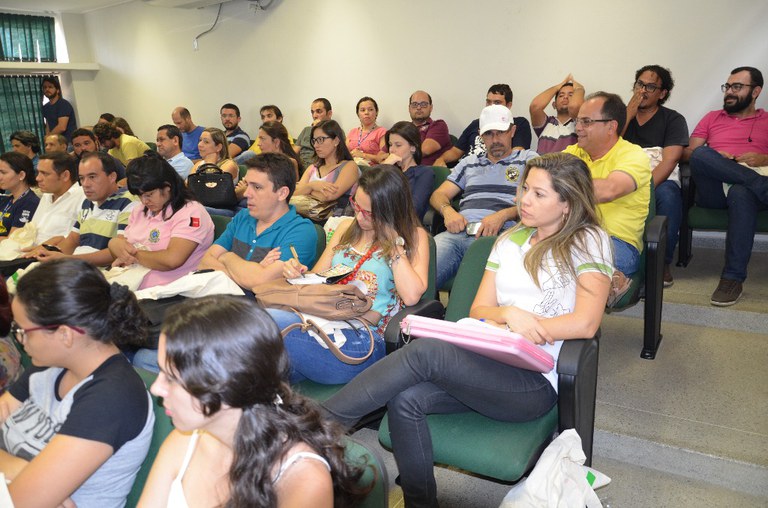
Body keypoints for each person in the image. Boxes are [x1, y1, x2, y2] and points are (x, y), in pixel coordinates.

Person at [321, 152, 613, 508]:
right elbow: (480, 309)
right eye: (525, 189)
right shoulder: (508, 241)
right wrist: (508, 314)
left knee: (426, 352)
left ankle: (319, 425)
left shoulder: (588, 240)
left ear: (567, 203)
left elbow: (586, 322)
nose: (524, 200)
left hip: (535, 381)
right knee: (405, 399)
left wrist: (531, 326)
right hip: (488, 362)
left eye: (539, 194)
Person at [138, 296, 366, 507]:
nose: (156, 388)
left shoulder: (302, 478)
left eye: (171, 378)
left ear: (226, 385)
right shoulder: (186, 439)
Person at [0, 258, 153, 507]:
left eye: (23, 331)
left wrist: (22, 478)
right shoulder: (51, 364)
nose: (19, 340)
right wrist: (18, 470)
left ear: (65, 334)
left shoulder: (113, 397)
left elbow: (22, 501)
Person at [275, 165, 430, 384]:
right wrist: (298, 273)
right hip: (324, 323)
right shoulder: (345, 228)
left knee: (268, 324)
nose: (359, 216)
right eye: (356, 205)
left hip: (366, 339)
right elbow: (318, 279)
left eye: (368, 213)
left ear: (389, 211)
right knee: (261, 365)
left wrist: (393, 241)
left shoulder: (414, 236)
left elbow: (412, 296)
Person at [683, 66, 768, 306]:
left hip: (749, 194)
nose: (729, 92)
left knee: (741, 192)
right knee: (701, 154)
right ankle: (761, 185)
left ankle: (732, 278)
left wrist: (764, 158)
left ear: (756, 92)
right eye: (728, 86)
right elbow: (688, 153)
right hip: (716, 189)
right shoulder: (712, 118)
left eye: (737, 87)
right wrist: (717, 157)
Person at [430, 105, 538, 288]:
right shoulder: (468, 162)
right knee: (422, 273)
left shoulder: (528, 159)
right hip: (459, 233)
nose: (495, 140)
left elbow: (539, 201)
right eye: (489, 134)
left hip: (502, 235)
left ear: (512, 131)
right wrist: (448, 211)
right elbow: (438, 194)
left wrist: (503, 215)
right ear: (481, 135)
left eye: (501, 132)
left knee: (479, 287)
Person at [564, 92, 651, 304]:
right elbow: (539, 177)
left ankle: (603, 281)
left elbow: (609, 190)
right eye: (577, 121)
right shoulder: (573, 153)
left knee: (558, 261)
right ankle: (607, 280)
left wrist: (558, 188)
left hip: (616, 244)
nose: (578, 128)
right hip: (573, 237)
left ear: (611, 127)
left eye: (586, 122)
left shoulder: (633, 154)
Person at [198, 153, 317, 289]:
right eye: (247, 185)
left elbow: (259, 282)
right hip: (217, 297)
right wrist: (253, 271)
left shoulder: (301, 231)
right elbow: (205, 261)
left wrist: (227, 257)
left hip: (256, 303)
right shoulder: (243, 216)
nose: (246, 193)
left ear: (282, 193)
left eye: (257, 187)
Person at [622, 65, 689, 287]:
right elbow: (606, 147)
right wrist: (628, 114)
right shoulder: (621, 117)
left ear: (662, 94)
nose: (642, 91)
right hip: (623, 176)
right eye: (639, 84)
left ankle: (662, 262)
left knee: (668, 196)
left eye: (650, 87)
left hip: (659, 178)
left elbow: (670, 160)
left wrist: (644, 186)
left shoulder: (673, 119)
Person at [109, 152, 214, 289]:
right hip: (131, 283)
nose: (144, 201)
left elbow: (171, 260)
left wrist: (131, 254)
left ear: (167, 187)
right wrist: (114, 245)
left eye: (149, 194)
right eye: (140, 196)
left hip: (171, 291)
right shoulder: (139, 210)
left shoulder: (191, 211)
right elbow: (122, 244)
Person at [28, 151, 137, 267]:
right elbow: (72, 241)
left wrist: (67, 259)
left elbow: (119, 252)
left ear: (112, 177)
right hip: (78, 267)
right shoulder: (88, 202)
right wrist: (50, 256)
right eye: (82, 178)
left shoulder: (129, 202)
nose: (85, 184)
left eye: (92, 177)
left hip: (102, 272)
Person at [435, 84, 532, 167]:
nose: (491, 106)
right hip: (465, 168)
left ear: (508, 105)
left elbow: (517, 154)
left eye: (497, 102)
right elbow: (456, 151)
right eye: (488, 102)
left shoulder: (519, 123)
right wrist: (441, 159)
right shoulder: (476, 124)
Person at [293, 119, 360, 217]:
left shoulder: (349, 166)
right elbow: (294, 192)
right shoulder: (313, 167)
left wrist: (307, 189)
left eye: (320, 140)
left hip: (335, 220)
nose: (315, 145)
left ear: (336, 141)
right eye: (314, 141)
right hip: (306, 216)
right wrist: (312, 186)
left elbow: (329, 196)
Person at [29, 152, 85, 248]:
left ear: (65, 175)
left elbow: (78, 240)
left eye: (45, 173)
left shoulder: (83, 198)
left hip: (56, 254)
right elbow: (33, 231)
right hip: (31, 250)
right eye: (38, 172)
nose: (38, 178)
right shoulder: (46, 196)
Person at [383, 121, 435, 221]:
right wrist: (385, 168)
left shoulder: (424, 173)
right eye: (390, 145)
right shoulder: (390, 171)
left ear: (413, 147)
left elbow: (414, 209)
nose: (392, 150)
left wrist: (385, 169)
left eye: (398, 145)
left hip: (403, 224)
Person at [529, 74, 585, 154]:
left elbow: (575, 106)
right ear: (554, 104)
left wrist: (580, 88)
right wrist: (558, 86)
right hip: (543, 162)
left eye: (571, 95)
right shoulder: (546, 124)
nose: (565, 97)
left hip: (568, 162)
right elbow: (535, 106)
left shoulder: (580, 124)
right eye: (561, 95)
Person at [0, 152, 40, 238]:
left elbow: (13, 239)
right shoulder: (6, 200)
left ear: (21, 175)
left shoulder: (30, 203)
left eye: (3, 173)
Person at [408, 90, 452, 165]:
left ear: (431, 108)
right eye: (414, 104)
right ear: (409, 108)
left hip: (426, 170)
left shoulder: (438, 125)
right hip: (400, 170)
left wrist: (397, 154)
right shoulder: (403, 129)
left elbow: (425, 150)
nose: (418, 107)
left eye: (423, 104)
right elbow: (385, 153)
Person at [347, 97, 387, 165]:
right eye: (362, 110)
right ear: (358, 114)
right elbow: (344, 154)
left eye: (370, 109)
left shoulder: (381, 132)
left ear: (376, 112)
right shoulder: (352, 132)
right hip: (351, 167)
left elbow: (382, 158)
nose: (366, 113)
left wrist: (363, 155)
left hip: (372, 170)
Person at [296, 98, 334, 170]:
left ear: (329, 114)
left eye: (319, 111)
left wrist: (320, 129)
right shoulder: (306, 129)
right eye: (312, 112)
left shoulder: (335, 131)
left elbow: (334, 155)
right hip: (300, 166)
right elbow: (295, 151)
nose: (314, 116)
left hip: (318, 166)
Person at [41, 76, 78, 141]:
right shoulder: (46, 106)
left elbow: (62, 127)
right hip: (55, 141)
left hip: (68, 141)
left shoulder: (63, 104)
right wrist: (47, 137)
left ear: (57, 90)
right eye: (45, 87)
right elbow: (48, 124)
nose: (47, 89)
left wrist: (49, 137)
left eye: (50, 87)